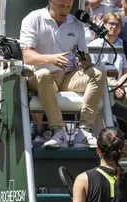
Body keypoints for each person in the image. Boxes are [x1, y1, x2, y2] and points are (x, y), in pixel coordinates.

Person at [21, 0, 107, 149]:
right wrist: (50, 58)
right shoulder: (33, 18)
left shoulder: (76, 23)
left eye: (68, 7)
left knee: (99, 73)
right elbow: (26, 56)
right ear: (50, 1)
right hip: (41, 77)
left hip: (68, 76)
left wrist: (84, 60)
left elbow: (86, 58)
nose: (65, 11)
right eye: (61, 6)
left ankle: (85, 131)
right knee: (43, 74)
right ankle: (58, 131)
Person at [89, 13, 127, 142]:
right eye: (111, 24)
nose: (114, 27)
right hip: (102, 82)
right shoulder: (95, 45)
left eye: (117, 25)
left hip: (120, 81)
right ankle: (111, 133)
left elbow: (126, 71)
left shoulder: (123, 45)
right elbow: (92, 70)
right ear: (104, 25)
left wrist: (118, 84)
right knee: (106, 94)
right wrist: (113, 85)